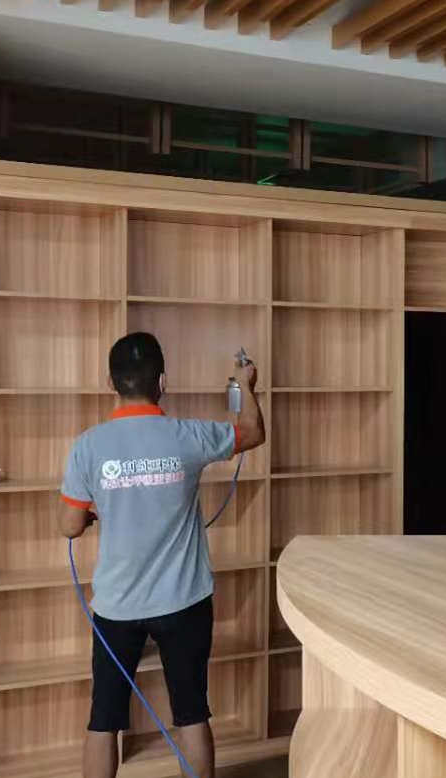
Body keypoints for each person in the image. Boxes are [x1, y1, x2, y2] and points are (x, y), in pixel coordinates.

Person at [59, 332, 265, 778]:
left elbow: (69, 526)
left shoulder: (88, 446)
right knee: (191, 712)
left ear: (111, 383)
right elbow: (252, 432)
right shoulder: (188, 435)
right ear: (163, 383)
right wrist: (245, 385)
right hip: (184, 602)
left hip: (117, 605)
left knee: (104, 718)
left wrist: (93, 515)